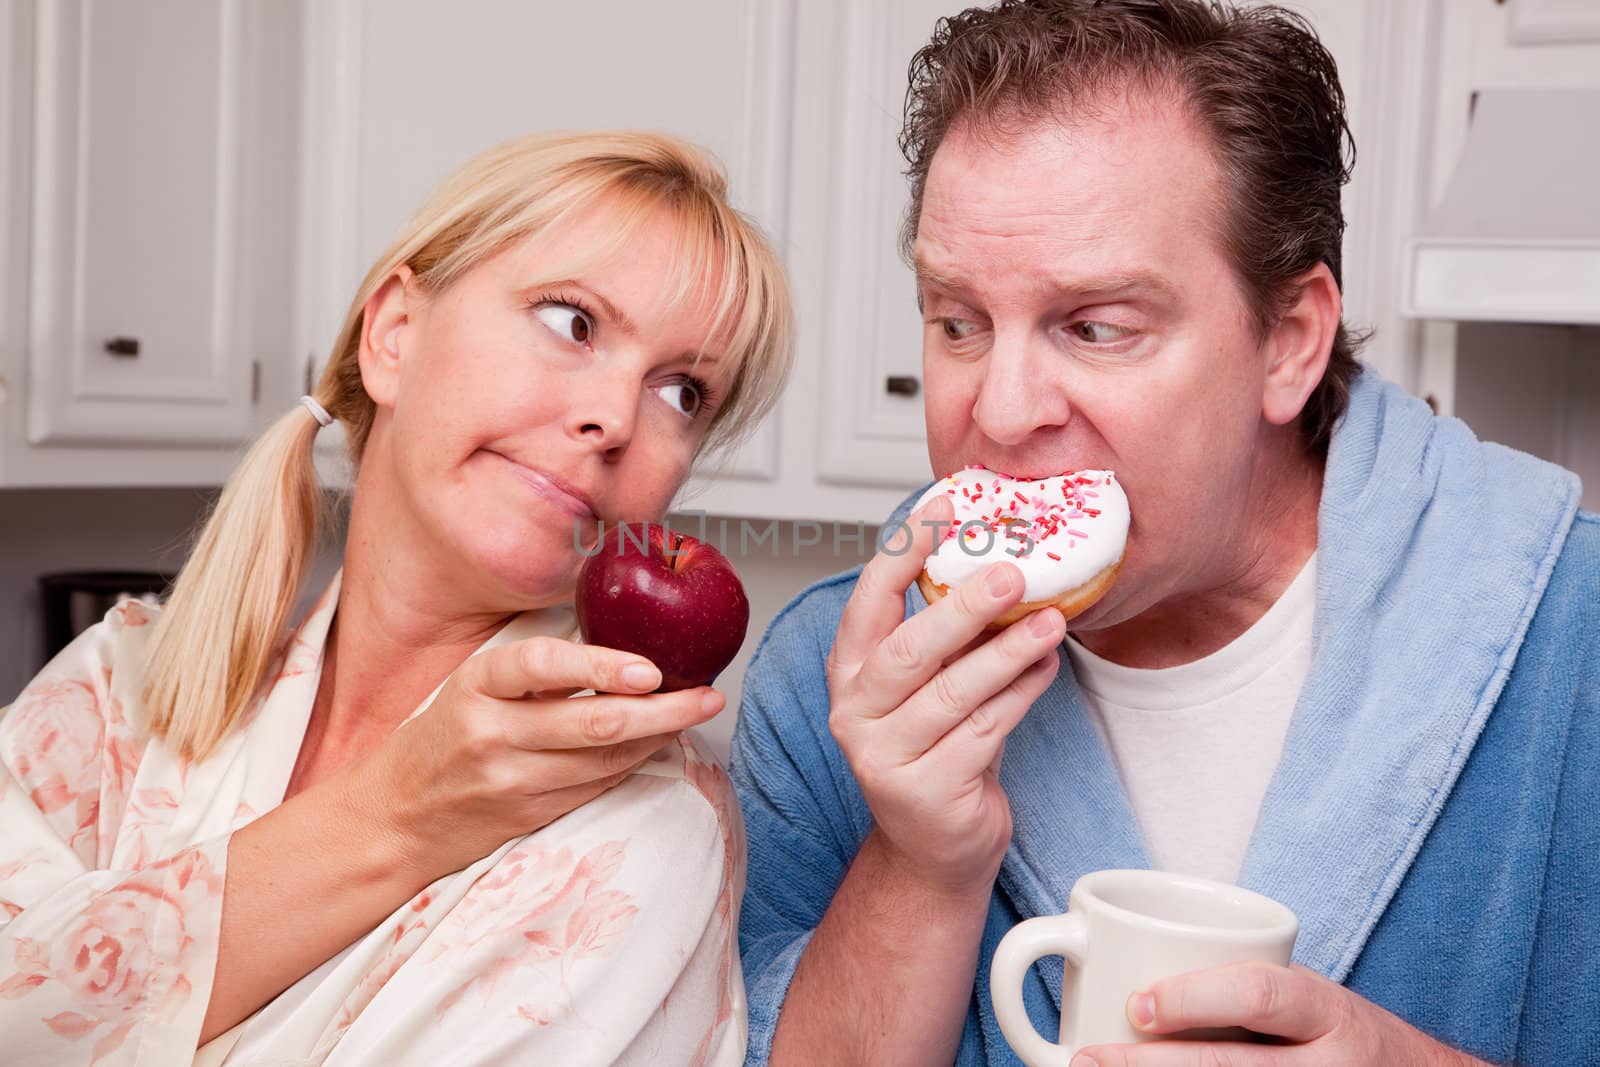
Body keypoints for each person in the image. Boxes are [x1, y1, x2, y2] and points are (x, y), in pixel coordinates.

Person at [731, 2, 1597, 1065]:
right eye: (957, 320)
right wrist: (916, 860)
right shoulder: (821, 689)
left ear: (1287, 343)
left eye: (1095, 327)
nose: (998, 413)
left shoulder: (1577, 646)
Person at [0, 131, 794, 1065]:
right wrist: (396, 813)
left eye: (683, 391)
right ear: (393, 335)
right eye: (574, 322)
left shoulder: (642, 825)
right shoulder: (120, 681)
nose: (618, 419)